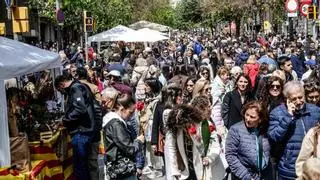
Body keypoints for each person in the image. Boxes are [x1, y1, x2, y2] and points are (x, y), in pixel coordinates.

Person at [268, 81, 320, 179]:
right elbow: (274, 137)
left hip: (312, 168)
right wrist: (288, 116)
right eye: (294, 99)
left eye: (300, 97)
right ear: (287, 99)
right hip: (289, 167)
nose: (298, 101)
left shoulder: (315, 111)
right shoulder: (277, 113)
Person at [54, 74, 96, 180]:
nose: (61, 93)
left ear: (61, 84)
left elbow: (80, 109)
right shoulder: (78, 87)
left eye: (59, 90)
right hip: (81, 131)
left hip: (81, 131)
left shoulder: (75, 88)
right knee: (81, 165)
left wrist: (64, 120)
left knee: (80, 165)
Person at [225, 101, 272, 180]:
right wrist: (247, 177)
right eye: (247, 114)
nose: (247, 119)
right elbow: (230, 156)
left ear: (260, 119)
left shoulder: (264, 130)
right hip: (245, 176)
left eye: (252, 117)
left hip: (263, 175)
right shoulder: (236, 130)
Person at [103, 94, 145, 180]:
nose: (132, 116)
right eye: (130, 112)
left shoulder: (117, 122)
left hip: (119, 168)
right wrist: (139, 141)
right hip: (122, 169)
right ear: (122, 109)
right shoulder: (116, 124)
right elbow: (129, 149)